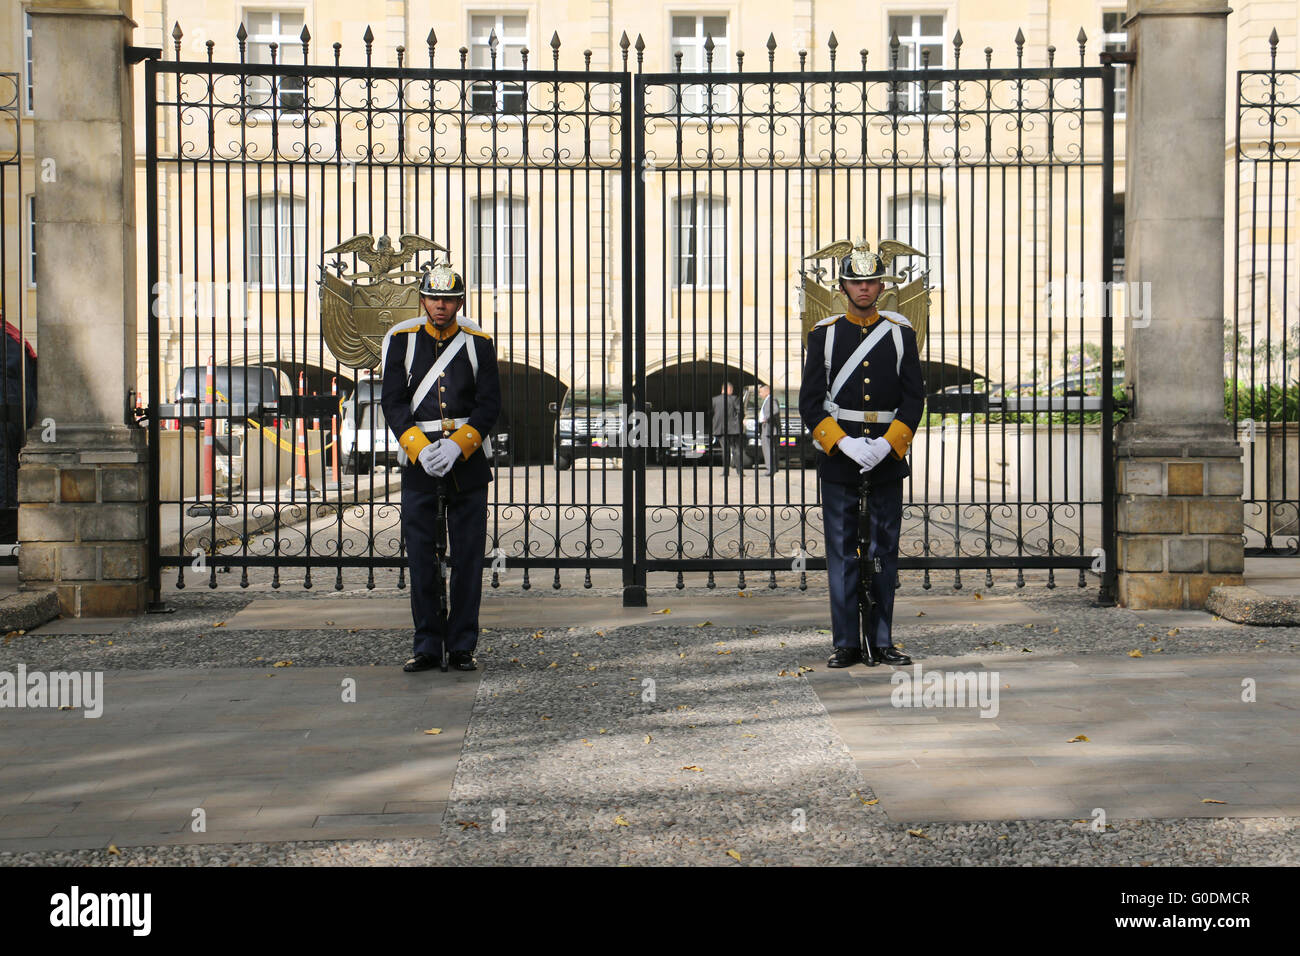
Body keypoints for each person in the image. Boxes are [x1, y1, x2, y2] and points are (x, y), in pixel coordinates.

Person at [798, 239, 925, 668]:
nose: (865, 289)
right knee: (841, 550)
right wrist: (843, 442)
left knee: (884, 550)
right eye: (857, 282)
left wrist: (890, 442)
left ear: (881, 285)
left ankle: (883, 639)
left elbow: (913, 398)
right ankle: (846, 643)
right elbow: (811, 401)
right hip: (840, 455)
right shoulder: (826, 335)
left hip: (886, 456)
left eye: (871, 282)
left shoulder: (900, 333)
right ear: (844, 286)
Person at [380, 257, 500, 672]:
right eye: (433, 298)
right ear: (422, 300)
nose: (440, 307)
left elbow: (489, 405)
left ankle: (463, 644)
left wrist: (459, 446)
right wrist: (417, 445)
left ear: (460, 301)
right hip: (420, 460)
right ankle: (428, 645)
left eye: (448, 300)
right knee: (421, 555)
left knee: (467, 556)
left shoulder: (477, 341)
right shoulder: (402, 339)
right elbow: (392, 402)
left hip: (464, 461)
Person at [710, 382, 744, 478]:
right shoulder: (734, 399)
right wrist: (737, 422)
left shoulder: (714, 400)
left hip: (720, 429)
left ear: (722, 390)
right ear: (730, 390)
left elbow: (711, 413)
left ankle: (726, 472)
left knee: (725, 450)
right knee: (736, 450)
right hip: (733, 429)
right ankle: (739, 471)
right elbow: (740, 412)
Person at [757, 384, 780, 477]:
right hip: (766, 428)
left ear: (767, 391)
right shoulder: (767, 400)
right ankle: (773, 469)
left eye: (761, 392)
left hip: (769, 428)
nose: (760, 394)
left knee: (768, 450)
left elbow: (775, 410)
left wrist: (766, 418)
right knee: (770, 449)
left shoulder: (771, 400)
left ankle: (770, 470)